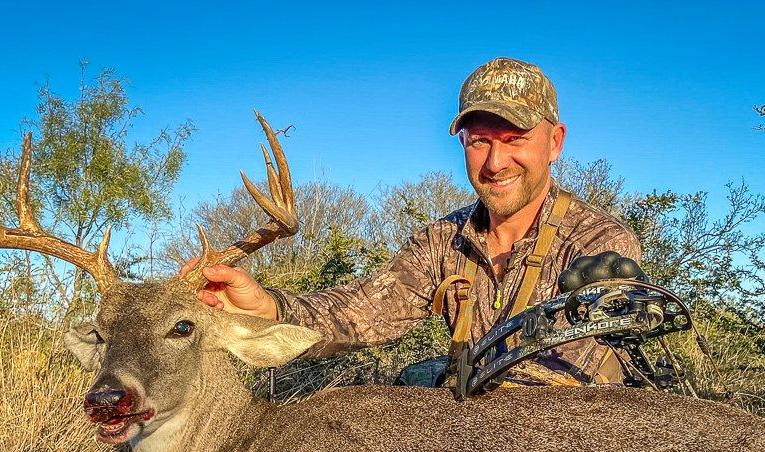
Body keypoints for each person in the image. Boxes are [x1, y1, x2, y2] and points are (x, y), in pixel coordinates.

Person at [184, 57, 642, 384]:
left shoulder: (598, 242)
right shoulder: (443, 242)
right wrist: (269, 306)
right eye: (479, 141)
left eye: (515, 138)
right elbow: (361, 312)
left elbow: (562, 383)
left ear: (555, 142)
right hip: (473, 431)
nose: (496, 162)